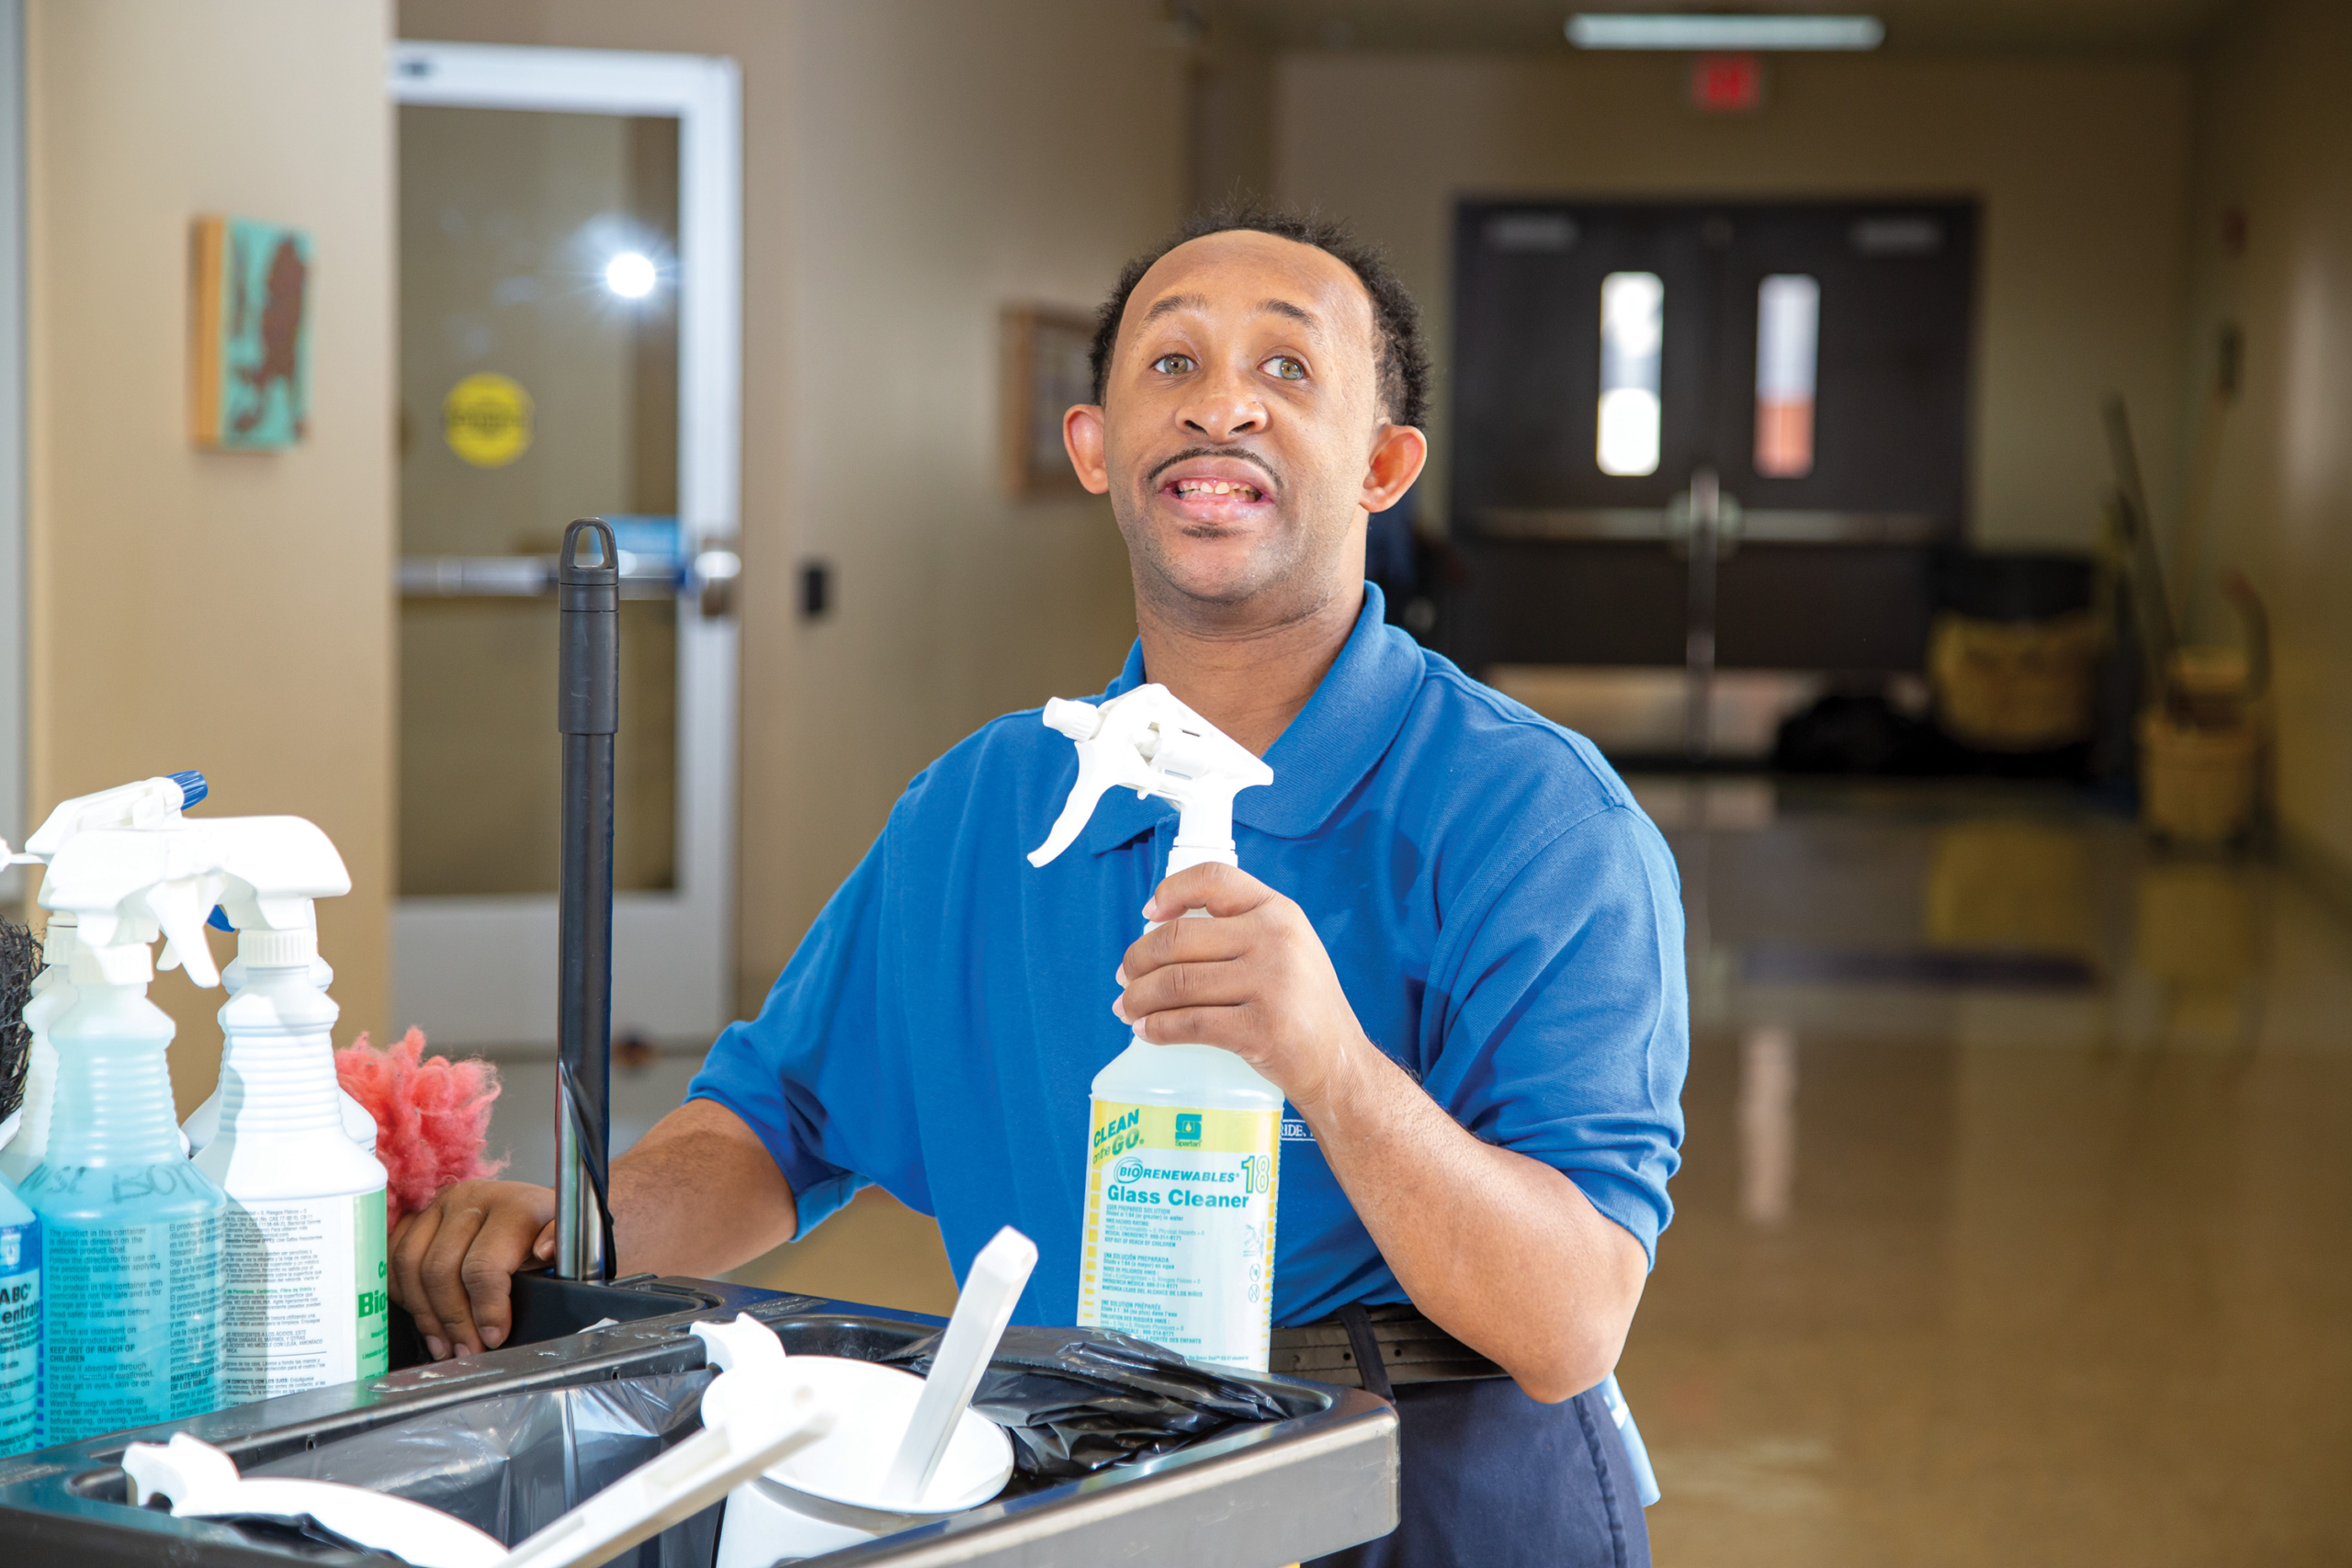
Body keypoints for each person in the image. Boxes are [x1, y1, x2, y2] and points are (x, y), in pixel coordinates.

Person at [390, 203, 1687, 1566]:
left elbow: (1568, 1324)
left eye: (1288, 370)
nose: (1221, 409)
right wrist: (565, 1233)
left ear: (1382, 465)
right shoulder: (987, 806)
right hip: (1073, 1473)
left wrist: (1334, 1068)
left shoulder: (1529, 818)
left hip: (1423, 1488)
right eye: (1171, 367)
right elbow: (772, 1123)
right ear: (1095, 447)